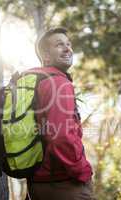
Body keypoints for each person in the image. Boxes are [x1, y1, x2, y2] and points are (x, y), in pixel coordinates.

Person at [26, 27, 95, 200]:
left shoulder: (37, 82)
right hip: (63, 182)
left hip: (37, 182)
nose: (67, 48)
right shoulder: (58, 83)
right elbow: (61, 136)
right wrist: (82, 172)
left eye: (68, 44)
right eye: (59, 45)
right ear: (46, 57)